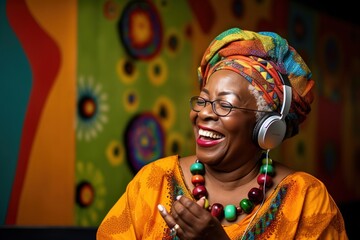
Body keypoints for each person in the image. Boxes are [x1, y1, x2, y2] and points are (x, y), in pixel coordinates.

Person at [96, 27, 348, 239]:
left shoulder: (307, 200)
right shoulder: (153, 182)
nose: (204, 113)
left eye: (225, 104)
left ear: (266, 126)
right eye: (203, 100)